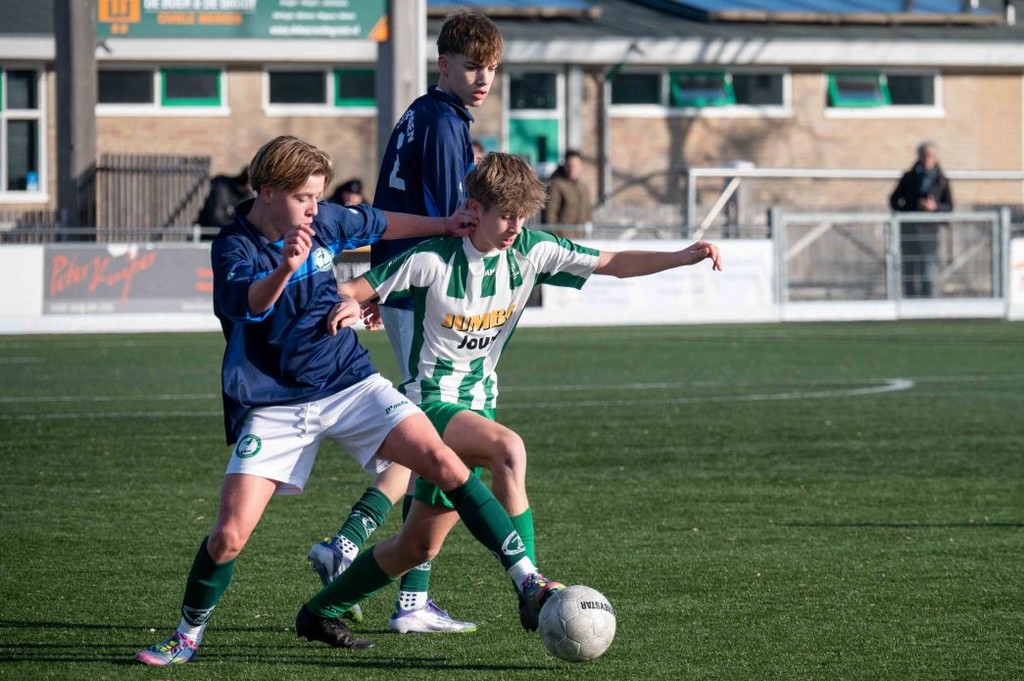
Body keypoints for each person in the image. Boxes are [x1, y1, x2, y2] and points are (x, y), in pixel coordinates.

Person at [134, 135, 561, 666]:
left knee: (446, 464)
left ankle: (528, 580)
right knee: (228, 537)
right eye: (303, 197)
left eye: (318, 196)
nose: (314, 209)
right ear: (266, 192)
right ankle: (186, 636)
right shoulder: (233, 246)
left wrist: (444, 224)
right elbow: (247, 306)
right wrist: (285, 267)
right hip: (275, 401)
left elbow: (379, 222)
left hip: (349, 380)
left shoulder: (323, 221)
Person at [303, 152, 721, 640]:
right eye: (505, 215)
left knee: (418, 547)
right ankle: (531, 586)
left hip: (479, 403)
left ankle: (320, 610)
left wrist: (681, 257)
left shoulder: (532, 252)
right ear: (474, 209)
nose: (515, 227)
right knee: (509, 449)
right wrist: (349, 307)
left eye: (523, 216)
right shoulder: (432, 258)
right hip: (428, 403)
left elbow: (611, 262)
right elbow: (354, 288)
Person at [307, 10, 504, 635]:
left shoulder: (423, 112)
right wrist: (401, 283)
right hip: (426, 291)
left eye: (491, 69)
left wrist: (382, 283)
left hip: (405, 284)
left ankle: (366, 556)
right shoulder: (445, 124)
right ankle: (376, 568)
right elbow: (454, 221)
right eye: (472, 67)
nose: (483, 79)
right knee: (441, 436)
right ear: (443, 64)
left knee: (436, 434)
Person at [889, 141, 953, 298]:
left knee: (927, 272)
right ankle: (909, 303)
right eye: (924, 156)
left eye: (930, 156)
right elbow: (894, 201)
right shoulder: (909, 177)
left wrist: (935, 207)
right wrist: (912, 208)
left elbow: (949, 206)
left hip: (929, 233)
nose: (927, 159)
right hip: (910, 231)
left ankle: (927, 304)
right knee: (909, 272)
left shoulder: (941, 180)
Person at [542, 149, 591, 232]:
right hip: (562, 236)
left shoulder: (583, 188)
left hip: (580, 236)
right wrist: (554, 235)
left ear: (581, 166)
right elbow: (550, 215)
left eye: (576, 166)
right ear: (565, 166)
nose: (573, 169)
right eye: (570, 165)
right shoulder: (556, 185)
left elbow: (587, 213)